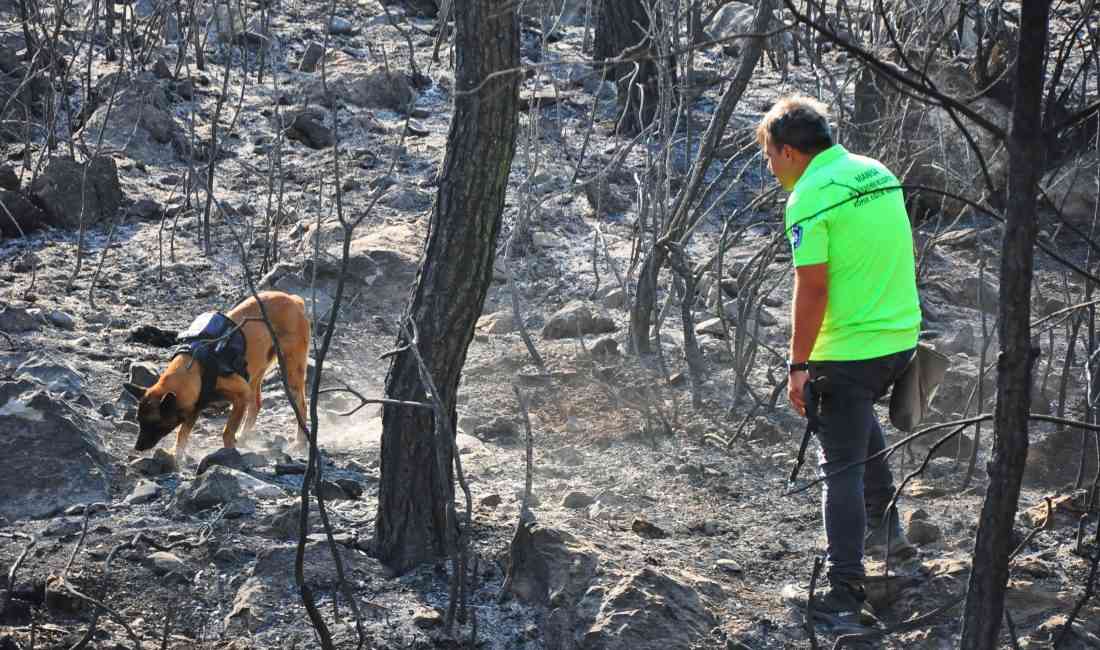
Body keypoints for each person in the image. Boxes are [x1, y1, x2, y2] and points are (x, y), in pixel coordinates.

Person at [756, 96, 922, 626]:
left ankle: (844, 591)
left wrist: (797, 364)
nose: (769, 166)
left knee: (839, 466)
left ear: (788, 151)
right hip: (900, 339)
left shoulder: (810, 195)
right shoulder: (877, 173)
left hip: (848, 350)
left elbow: (813, 287)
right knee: (857, 427)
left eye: (769, 155)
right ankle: (888, 531)